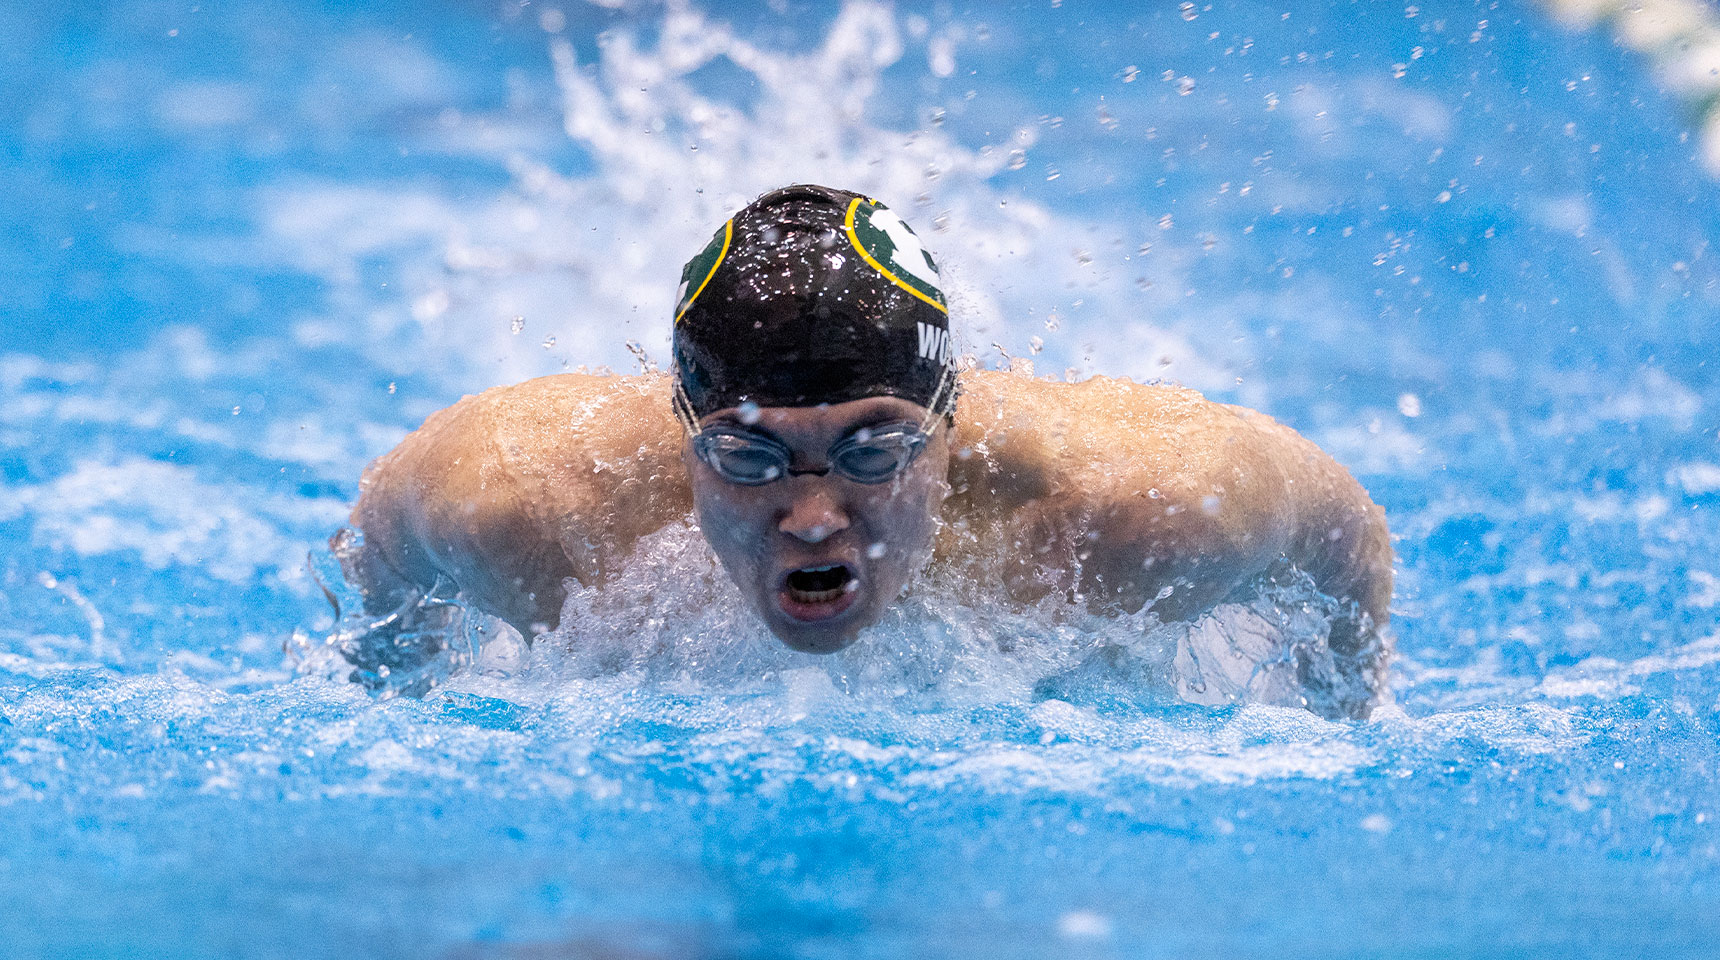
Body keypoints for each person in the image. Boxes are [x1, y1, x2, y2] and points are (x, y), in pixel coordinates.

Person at [332, 184, 1394, 714]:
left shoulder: (1147, 505)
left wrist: (1343, 712)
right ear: (682, 436)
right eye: (748, 457)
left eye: (873, 450)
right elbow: (380, 544)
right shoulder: (522, 504)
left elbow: (1343, 535)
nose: (810, 516)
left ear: (950, 423)